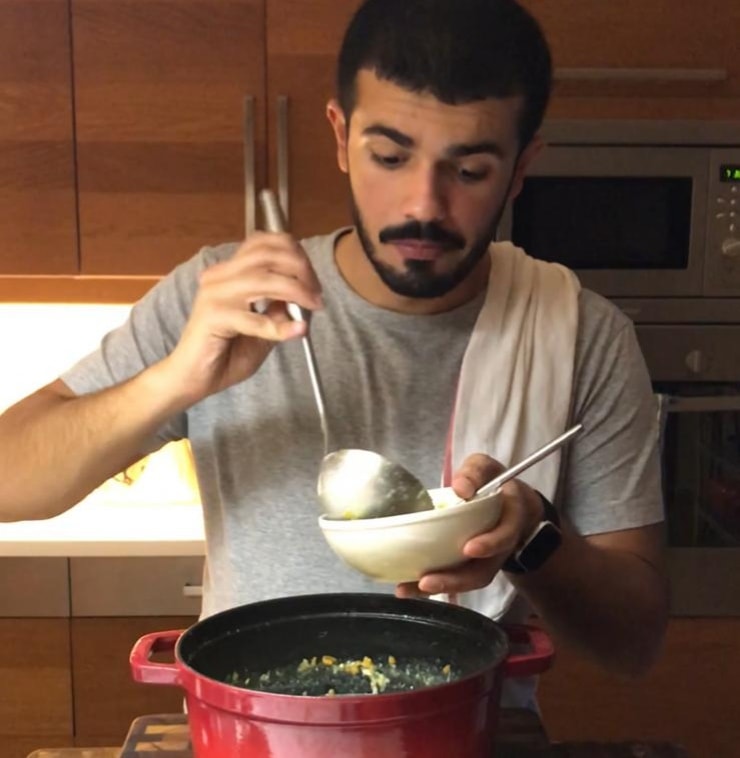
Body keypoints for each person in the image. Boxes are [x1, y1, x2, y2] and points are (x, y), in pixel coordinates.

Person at [0, 0, 667, 709]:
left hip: (469, 732)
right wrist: (173, 380)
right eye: (390, 157)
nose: (423, 205)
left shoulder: (578, 334)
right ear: (342, 137)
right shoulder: (226, 299)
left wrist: (533, 537)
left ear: (521, 167)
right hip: (253, 734)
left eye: (469, 169)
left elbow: (633, 643)